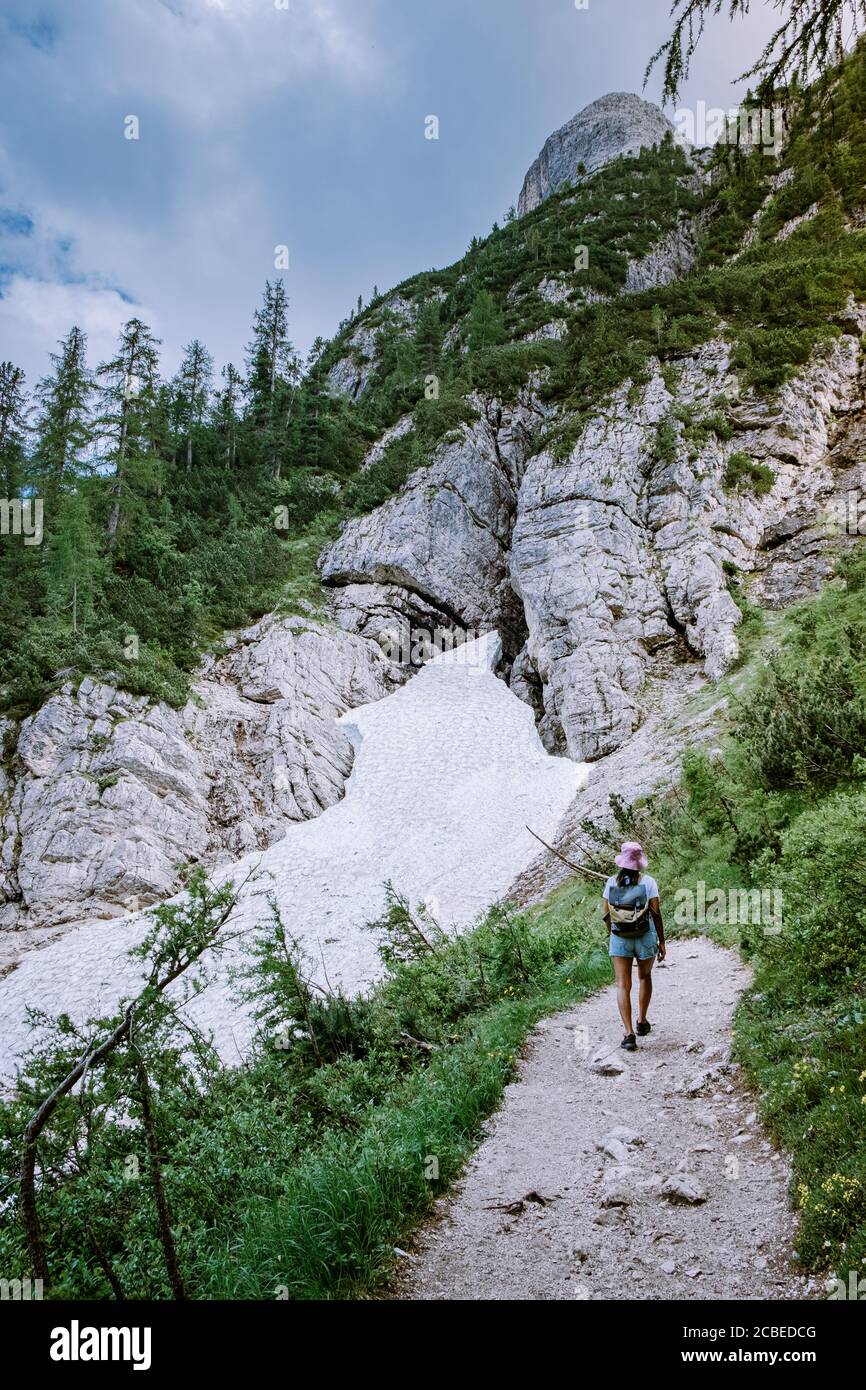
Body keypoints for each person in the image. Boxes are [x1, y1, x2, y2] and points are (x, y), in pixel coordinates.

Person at [602, 841, 666, 1052]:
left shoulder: (611, 882)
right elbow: (656, 913)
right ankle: (642, 1021)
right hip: (644, 936)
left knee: (623, 984)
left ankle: (629, 1034)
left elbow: (606, 914)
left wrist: (612, 934)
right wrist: (662, 940)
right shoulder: (648, 882)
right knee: (645, 977)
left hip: (620, 937)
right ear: (639, 862)